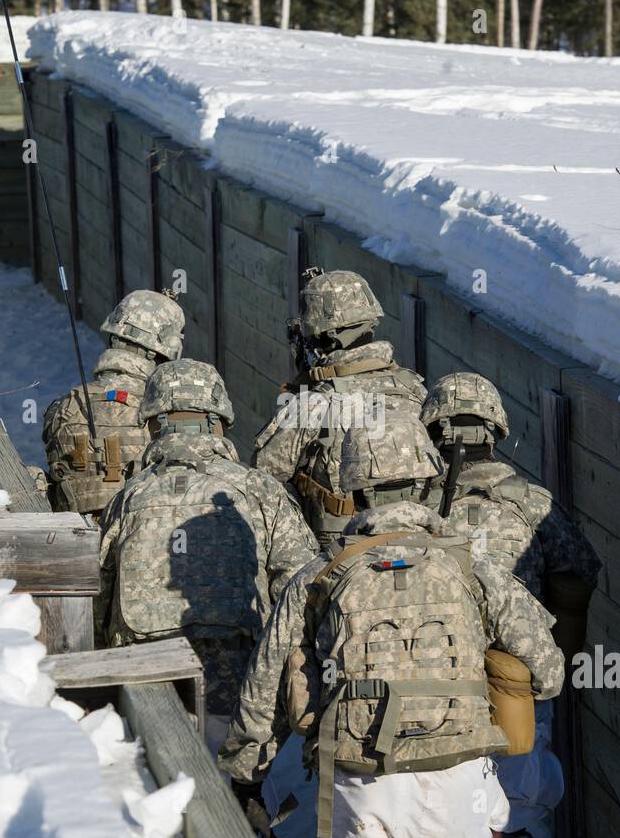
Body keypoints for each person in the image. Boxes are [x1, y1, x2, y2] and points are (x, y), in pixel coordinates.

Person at [219, 415, 564, 838]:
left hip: (362, 782)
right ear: (426, 485)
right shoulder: (473, 569)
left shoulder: (317, 576)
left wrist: (245, 774)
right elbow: (549, 671)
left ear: (356, 491)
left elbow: (265, 688)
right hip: (458, 776)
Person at [97, 359, 318, 752]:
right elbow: (302, 590)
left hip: (145, 686)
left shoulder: (128, 498)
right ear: (218, 422)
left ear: (152, 424)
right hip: (240, 694)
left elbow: (97, 594)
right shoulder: (260, 490)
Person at [419, 371, 601, 838]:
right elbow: (581, 570)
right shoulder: (531, 504)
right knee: (521, 804)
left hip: (436, 678)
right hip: (518, 676)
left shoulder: (416, 505)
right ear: (496, 431)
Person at [254, 269, 427, 547]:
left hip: (335, 558)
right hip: (421, 551)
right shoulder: (416, 390)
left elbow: (262, 481)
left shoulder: (312, 404)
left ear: (325, 339)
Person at [41, 289, 185, 517]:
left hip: (73, 537)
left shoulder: (64, 406)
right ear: (166, 351)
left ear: (112, 336)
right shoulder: (163, 412)